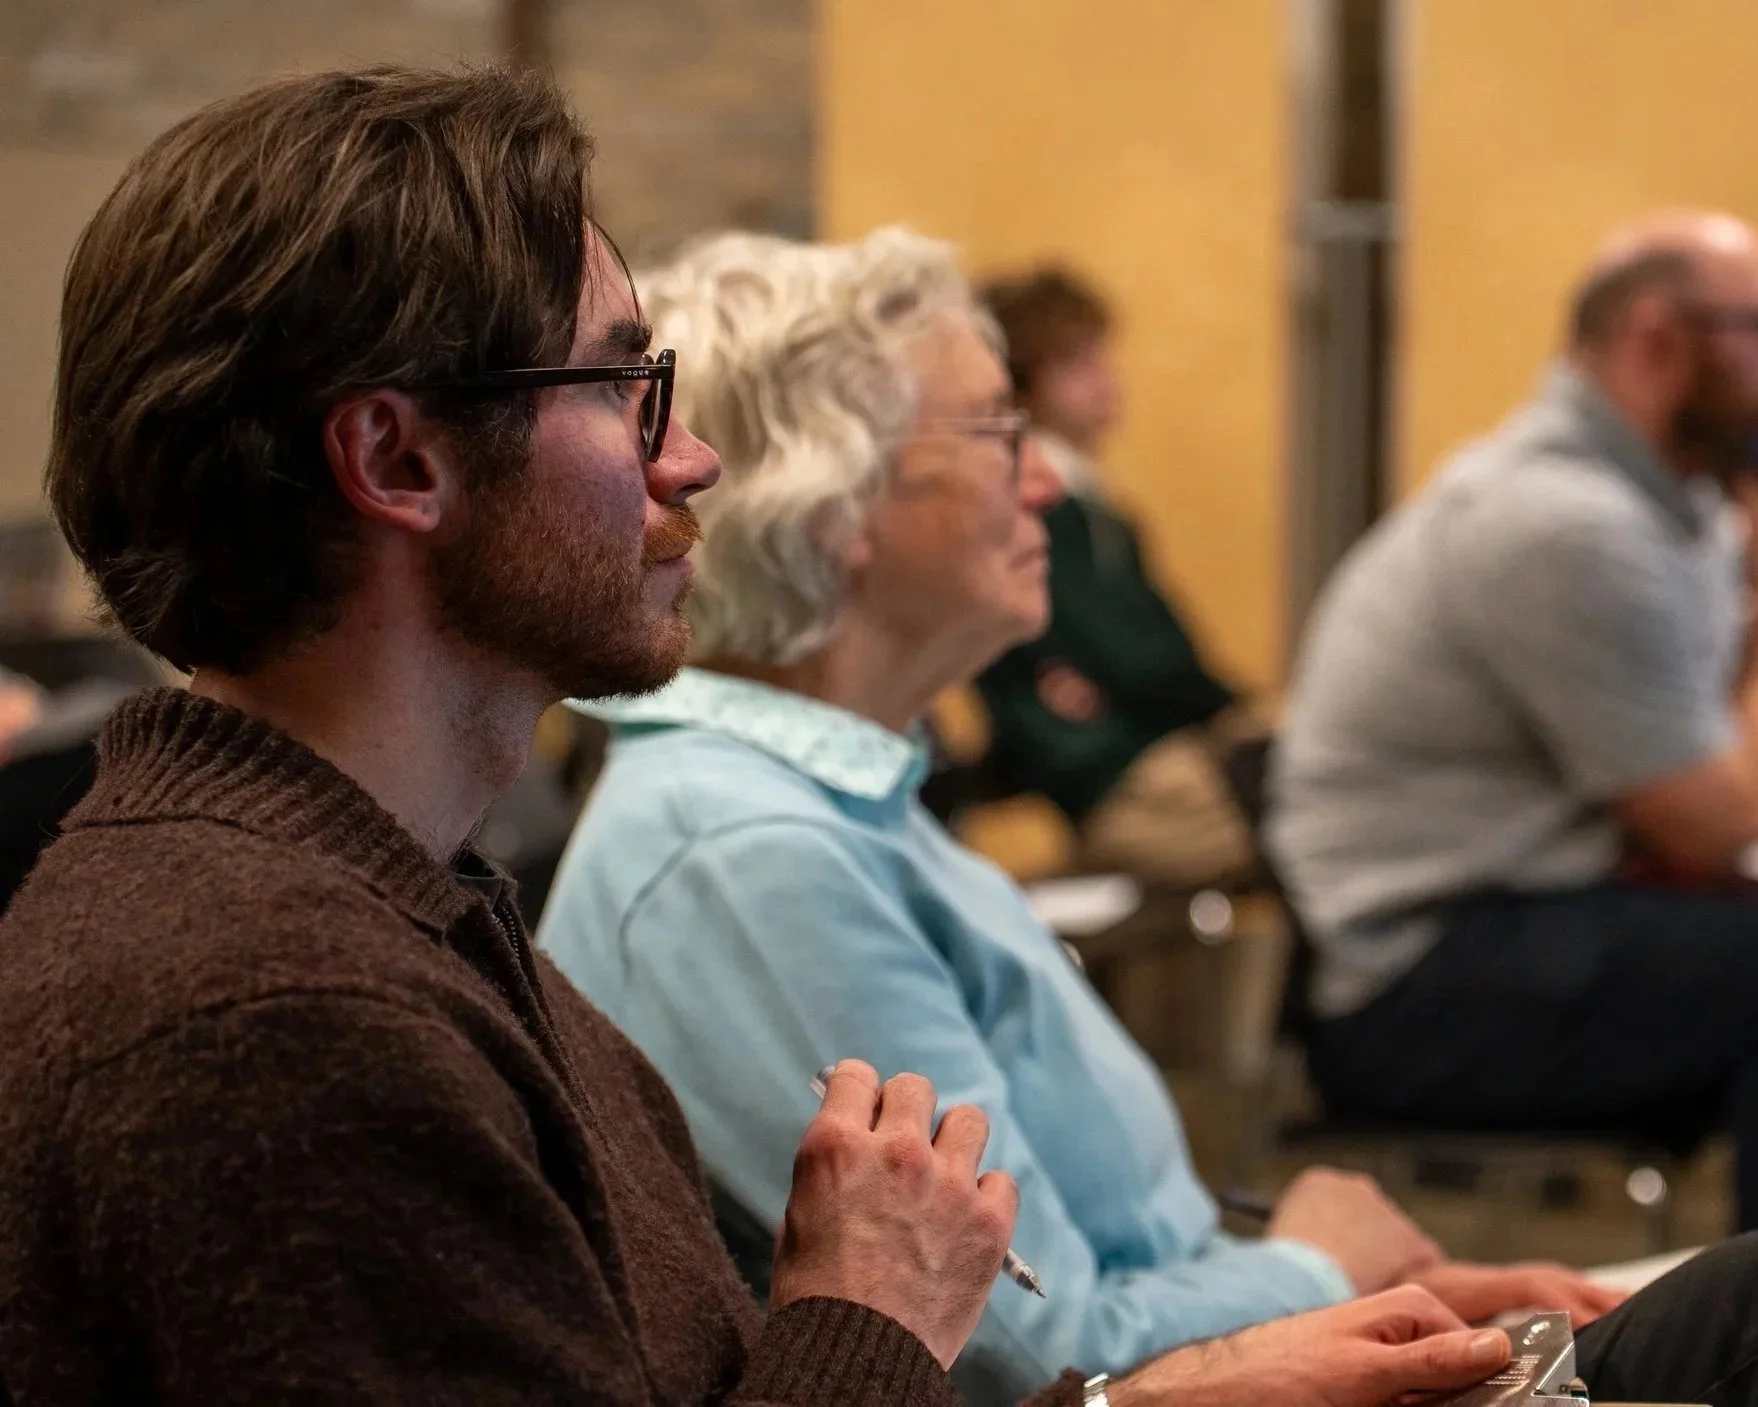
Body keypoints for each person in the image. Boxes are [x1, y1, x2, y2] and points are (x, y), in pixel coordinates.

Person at [0, 59, 1555, 1407]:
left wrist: (1135, 1388)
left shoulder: (390, 909)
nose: (693, 458)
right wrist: (872, 1308)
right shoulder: (271, 1010)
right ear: (399, 458)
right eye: (621, 385)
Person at [539, 226, 1758, 1407]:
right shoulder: (748, 852)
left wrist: (1387, 1288)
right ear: (833, 500)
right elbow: (1034, 1355)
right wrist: (1318, 1266)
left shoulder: (845, 807)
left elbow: (1111, 1249)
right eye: (997, 432)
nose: (1043, 479)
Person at [1268, 210, 1758, 1231]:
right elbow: (1716, 825)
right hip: (1420, 979)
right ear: (1659, 337)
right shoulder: (1563, 524)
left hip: (1547, 915)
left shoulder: (1678, 506)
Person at [972, 269, 1256, 886]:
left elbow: (1150, 655)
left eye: (1102, 355)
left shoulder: (1097, 506)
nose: (1106, 376)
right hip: (1117, 777)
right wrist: (1227, 708)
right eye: (1075, 361)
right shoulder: (1047, 508)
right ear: (1019, 386)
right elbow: (1136, 657)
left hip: (1153, 753)